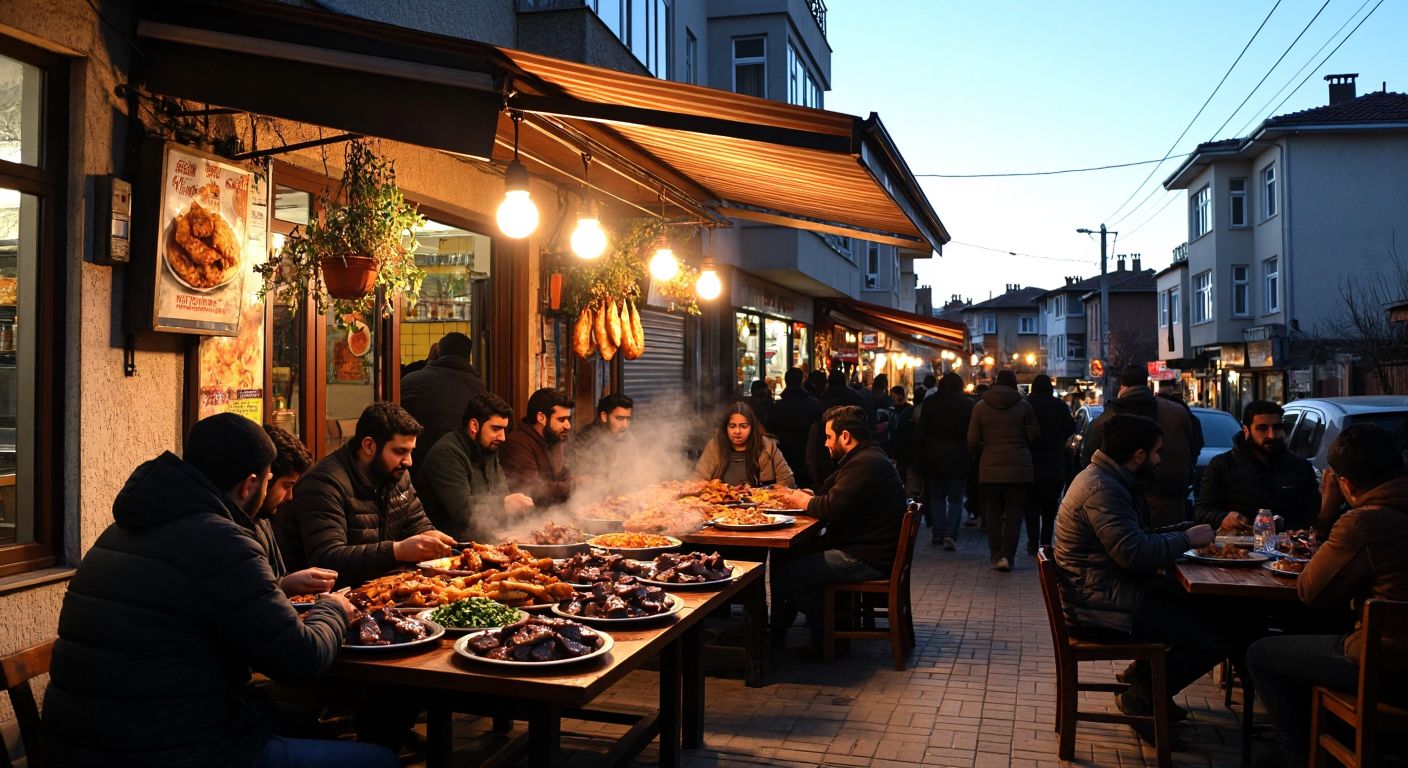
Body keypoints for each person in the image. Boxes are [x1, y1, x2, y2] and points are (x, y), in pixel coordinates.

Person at [42, 414, 396, 768]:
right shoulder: (222, 541)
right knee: (380, 760)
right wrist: (333, 608)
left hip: (79, 741)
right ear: (249, 484)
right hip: (165, 749)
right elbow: (300, 660)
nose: (283, 497)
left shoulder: (119, 531)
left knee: (299, 721)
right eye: (273, 481)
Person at [1246, 423, 1408, 768]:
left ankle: (1299, 756)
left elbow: (1309, 592)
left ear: (1345, 482)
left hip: (1389, 665)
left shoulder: (1365, 522)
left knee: (1262, 654)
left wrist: (1329, 509)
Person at [1054, 414, 1223, 743]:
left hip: (1108, 592)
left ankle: (1146, 683)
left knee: (1207, 608)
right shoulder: (1103, 489)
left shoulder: (1110, 479)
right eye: (1157, 452)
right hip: (1100, 608)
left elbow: (1135, 538)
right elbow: (1133, 553)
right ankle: (1142, 694)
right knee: (1213, 634)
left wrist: (1182, 531)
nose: (1160, 459)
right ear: (1138, 455)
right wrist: (1188, 540)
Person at [775, 405, 907, 653]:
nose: (825, 444)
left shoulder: (866, 463)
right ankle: (798, 628)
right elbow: (837, 496)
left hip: (865, 556)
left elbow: (831, 508)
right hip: (865, 546)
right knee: (789, 554)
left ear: (845, 436)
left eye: (828, 437)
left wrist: (804, 501)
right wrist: (812, 496)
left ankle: (829, 633)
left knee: (787, 575)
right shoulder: (867, 456)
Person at [293, 403, 456, 588]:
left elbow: (416, 524)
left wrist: (429, 535)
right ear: (369, 446)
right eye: (400, 451)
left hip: (386, 588)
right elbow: (327, 560)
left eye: (411, 451)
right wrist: (397, 551)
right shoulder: (324, 483)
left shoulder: (398, 476)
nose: (409, 462)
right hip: (329, 600)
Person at [1081, 365, 1196, 528]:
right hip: (1170, 505)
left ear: (1122, 386)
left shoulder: (1106, 419)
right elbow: (1193, 447)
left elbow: (1088, 462)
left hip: (1120, 506)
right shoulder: (1176, 412)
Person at [418, 393, 535, 542]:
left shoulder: (488, 448)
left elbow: (501, 492)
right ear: (474, 425)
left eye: (504, 429)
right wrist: (504, 503)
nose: (503, 437)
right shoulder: (446, 453)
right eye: (496, 429)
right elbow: (462, 510)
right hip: (452, 547)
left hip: (486, 540)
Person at [1194, 399, 1320, 533]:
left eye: (1276, 427)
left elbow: (1312, 514)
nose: (1271, 435)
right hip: (1236, 548)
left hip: (1287, 548)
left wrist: (1289, 526)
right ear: (1246, 431)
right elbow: (1201, 512)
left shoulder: (1300, 467)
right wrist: (1223, 518)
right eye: (1262, 428)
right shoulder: (1222, 466)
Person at [968, 369, 1039, 571]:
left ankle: (996, 554)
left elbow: (972, 439)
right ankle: (1008, 556)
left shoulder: (980, 407)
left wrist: (977, 454)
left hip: (990, 466)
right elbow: (1034, 436)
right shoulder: (1024, 407)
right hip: (1019, 467)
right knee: (1014, 513)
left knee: (992, 511)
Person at [259, 425, 338, 597]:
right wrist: (285, 585)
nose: (290, 496)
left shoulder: (261, 521)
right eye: (287, 485)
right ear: (265, 478)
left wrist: (287, 582)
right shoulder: (232, 531)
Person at [399, 332, 487, 476]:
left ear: (439, 352)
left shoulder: (410, 380)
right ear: (468, 355)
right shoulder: (478, 388)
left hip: (412, 467)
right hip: (458, 468)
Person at [915, 372, 974, 550]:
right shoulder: (967, 405)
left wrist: (919, 455)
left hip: (934, 457)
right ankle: (951, 533)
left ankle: (938, 533)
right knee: (956, 499)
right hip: (959, 457)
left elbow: (921, 432)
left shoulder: (931, 403)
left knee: (937, 498)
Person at [499, 387, 575, 506]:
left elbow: (566, 477)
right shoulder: (517, 443)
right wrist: (576, 485)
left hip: (555, 515)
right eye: (561, 419)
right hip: (527, 520)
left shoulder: (554, 440)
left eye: (568, 419)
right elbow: (534, 490)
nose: (568, 426)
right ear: (541, 418)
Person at [1026, 375, 1076, 554]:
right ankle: (1045, 542)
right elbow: (1071, 427)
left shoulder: (1027, 404)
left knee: (1031, 505)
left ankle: (1032, 541)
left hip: (1030, 461)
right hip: (1055, 461)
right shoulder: (1060, 406)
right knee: (1050, 505)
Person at [694, 401, 795, 487]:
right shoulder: (714, 446)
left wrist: (770, 496)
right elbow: (698, 481)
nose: (737, 431)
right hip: (719, 507)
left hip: (761, 506)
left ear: (751, 427)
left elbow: (787, 480)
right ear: (726, 427)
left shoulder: (767, 446)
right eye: (732, 426)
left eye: (743, 426)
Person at [570, 392, 644, 495]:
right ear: (604, 416)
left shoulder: (627, 437)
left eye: (628, 419)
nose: (625, 425)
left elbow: (636, 469)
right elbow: (578, 480)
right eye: (619, 418)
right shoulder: (586, 440)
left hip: (623, 496)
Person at [767, 367, 823, 489]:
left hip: (784, 457)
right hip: (807, 460)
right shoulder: (814, 404)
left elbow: (770, 432)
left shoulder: (777, 407)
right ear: (801, 381)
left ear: (786, 381)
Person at [808, 370, 866, 487]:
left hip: (827, 457)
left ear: (828, 383)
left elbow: (816, 431)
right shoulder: (856, 396)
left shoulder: (822, 399)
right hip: (853, 447)